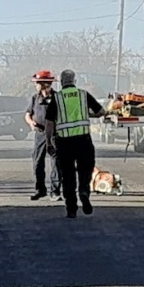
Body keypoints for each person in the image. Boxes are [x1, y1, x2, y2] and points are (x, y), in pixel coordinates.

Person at [43, 69, 106, 218]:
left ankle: (71, 208)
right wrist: (87, 113)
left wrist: (48, 142)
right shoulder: (83, 95)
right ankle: (84, 191)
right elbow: (101, 111)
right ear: (74, 81)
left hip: (64, 143)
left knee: (68, 176)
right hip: (83, 141)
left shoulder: (57, 99)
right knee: (85, 170)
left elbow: (49, 123)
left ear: (61, 82)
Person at [23, 71, 62, 201]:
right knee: (37, 162)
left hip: (55, 135)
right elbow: (28, 114)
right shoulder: (35, 98)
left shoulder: (58, 98)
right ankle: (40, 190)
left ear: (46, 84)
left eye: (37, 83)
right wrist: (31, 122)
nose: (36, 86)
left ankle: (55, 192)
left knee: (56, 163)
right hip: (40, 134)